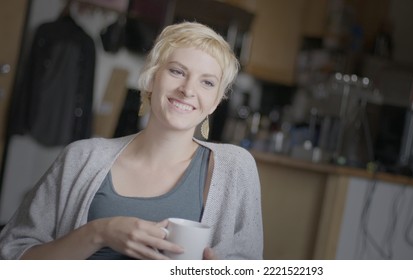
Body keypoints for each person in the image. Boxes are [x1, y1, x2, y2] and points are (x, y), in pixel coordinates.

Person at [0, 21, 263, 260]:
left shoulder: (235, 168)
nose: (188, 89)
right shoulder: (81, 157)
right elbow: (11, 255)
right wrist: (99, 232)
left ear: (216, 101)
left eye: (207, 82)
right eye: (177, 71)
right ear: (151, 78)